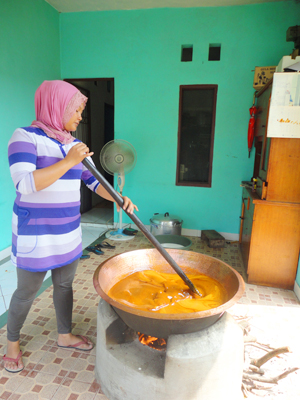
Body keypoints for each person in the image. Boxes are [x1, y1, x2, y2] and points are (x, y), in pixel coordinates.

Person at [3, 80, 138, 373]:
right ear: (57, 106)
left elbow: (92, 181)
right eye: (76, 110)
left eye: (80, 111)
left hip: (67, 231)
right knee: (26, 293)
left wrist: (117, 198)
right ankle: (11, 342)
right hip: (36, 233)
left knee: (64, 286)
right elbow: (25, 183)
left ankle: (64, 335)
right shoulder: (24, 137)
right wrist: (68, 161)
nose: (79, 117)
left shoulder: (71, 143)